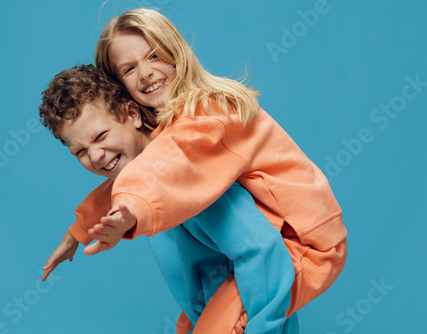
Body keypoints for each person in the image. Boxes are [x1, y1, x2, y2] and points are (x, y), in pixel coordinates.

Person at [65, 7, 348, 318]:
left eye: (155, 56)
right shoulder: (169, 131)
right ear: (121, 87)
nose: (145, 72)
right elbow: (148, 167)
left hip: (303, 242)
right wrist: (80, 230)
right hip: (274, 244)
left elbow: (164, 163)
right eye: (129, 69)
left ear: (177, 53)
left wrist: (130, 209)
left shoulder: (208, 111)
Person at [39, 64, 299, 333]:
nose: (95, 157)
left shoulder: (185, 172)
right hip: (212, 315)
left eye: (101, 136)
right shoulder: (139, 175)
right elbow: (114, 193)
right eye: (80, 151)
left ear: (132, 114)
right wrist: (76, 234)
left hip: (248, 317)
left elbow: (262, 250)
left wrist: (257, 326)